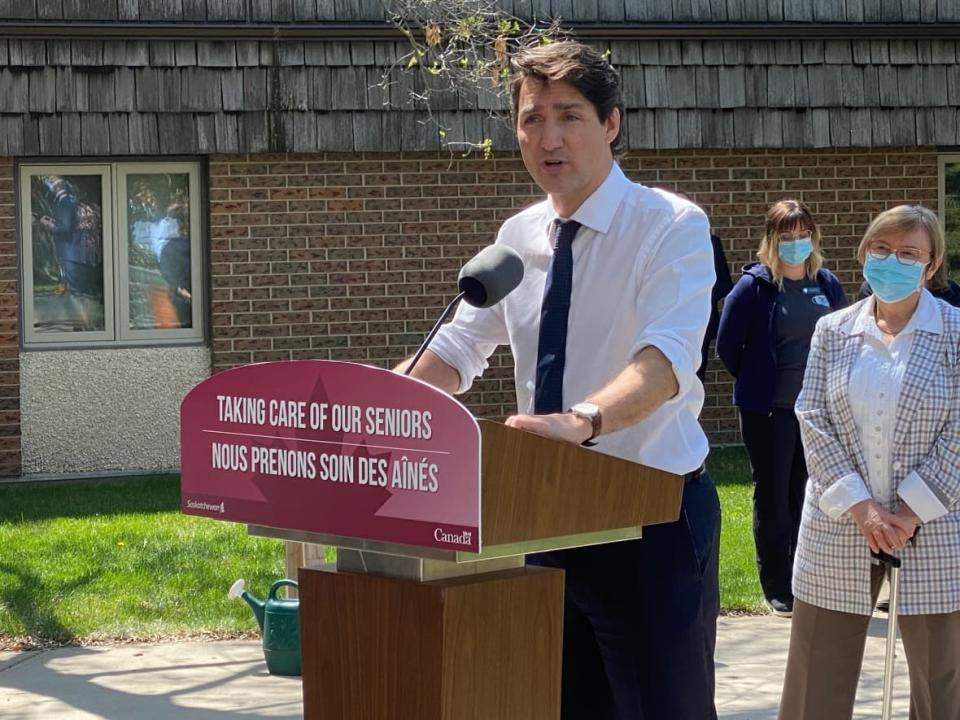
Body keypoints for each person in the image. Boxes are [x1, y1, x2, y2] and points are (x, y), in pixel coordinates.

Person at [399, 40, 720, 720]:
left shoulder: (670, 226)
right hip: (543, 519)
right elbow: (457, 347)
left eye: (568, 116)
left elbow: (664, 364)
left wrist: (584, 421)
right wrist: (381, 405)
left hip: (648, 521)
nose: (547, 138)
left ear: (611, 124)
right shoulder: (516, 236)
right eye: (530, 119)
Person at [779, 205, 960, 720]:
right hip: (840, 524)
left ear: (931, 266)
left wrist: (910, 510)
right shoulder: (832, 330)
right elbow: (812, 415)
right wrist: (863, 508)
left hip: (935, 525)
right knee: (816, 675)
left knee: (942, 683)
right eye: (882, 249)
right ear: (864, 254)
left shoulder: (955, 332)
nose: (892, 261)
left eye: (909, 253)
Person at [716, 200, 846, 617]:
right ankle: (778, 586)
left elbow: (840, 339)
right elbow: (727, 347)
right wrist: (760, 381)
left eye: (802, 235)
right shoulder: (754, 288)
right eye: (786, 236)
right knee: (773, 498)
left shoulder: (826, 284)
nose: (796, 243)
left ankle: (806, 578)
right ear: (772, 240)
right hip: (769, 411)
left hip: (816, 412)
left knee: (806, 495)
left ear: (813, 237)